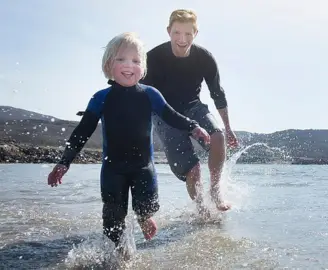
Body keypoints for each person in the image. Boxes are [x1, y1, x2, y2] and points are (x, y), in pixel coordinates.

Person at [47, 32, 210, 248]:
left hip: (143, 167)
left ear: (143, 68)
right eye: (121, 59)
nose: (129, 65)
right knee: (112, 221)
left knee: (147, 206)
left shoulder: (150, 94)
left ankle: (143, 218)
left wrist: (193, 126)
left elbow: (170, 115)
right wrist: (64, 161)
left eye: (136, 61)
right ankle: (119, 255)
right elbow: (82, 131)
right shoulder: (101, 98)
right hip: (112, 170)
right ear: (108, 65)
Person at [141, 9, 239, 214]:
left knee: (218, 136)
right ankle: (202, 210)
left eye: (188, 33)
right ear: (169, 31)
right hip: (164, 112)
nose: (182, 39)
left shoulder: (204, 58)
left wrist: (228, 128)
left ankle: (215, 191)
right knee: (193, 170)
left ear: (195, 33)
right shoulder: (153, 58)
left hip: (193, 106)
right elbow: (138, 93)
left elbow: (217, 94)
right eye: (177, 33)